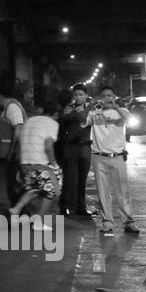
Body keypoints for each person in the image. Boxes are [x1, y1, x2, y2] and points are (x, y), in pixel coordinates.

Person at [89, 85, 138, 236]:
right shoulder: (93, 113)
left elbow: (131, 120)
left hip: (117, 156)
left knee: (123, 191)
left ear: (114, 96)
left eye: (110, 95)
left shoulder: (121, 112)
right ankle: (107, 222)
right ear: (99, 97)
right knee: (103, 193)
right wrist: (90, 106)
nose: (107, 98)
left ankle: (128, 222)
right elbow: (82, 121)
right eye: (104, 96)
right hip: (98, 156)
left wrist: (117, 107)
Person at [12, 95, 61, 217]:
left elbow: (19, 140)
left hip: (25, 163)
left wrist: (20, 163)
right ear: (55, 114)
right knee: (51, 191)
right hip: (41, 164)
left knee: (33, 189)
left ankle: (16, 209)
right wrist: (54, 164)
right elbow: (48, 147)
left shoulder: (30, 120)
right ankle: (38, 221)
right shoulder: (52, 123)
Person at [56, 84, 92, 217]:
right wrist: (65, 115)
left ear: (86, 96)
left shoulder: (91, 110)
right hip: (70, 147)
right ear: (73, 96)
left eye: (81, 94)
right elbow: (59, 125)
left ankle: (81, 207)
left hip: (85, 147)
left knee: (82, 179)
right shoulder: (68, 109)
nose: (78, 97)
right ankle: (64, 205)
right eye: (76, 94)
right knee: (69, 178)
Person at [0, 82, 27, 205]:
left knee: (15, 185)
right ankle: (20, 212)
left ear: (0, 96)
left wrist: (12, 151)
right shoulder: (10, 107)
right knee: (14, 183)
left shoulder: (12, 108)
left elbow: (18, 128)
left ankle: (20, 213)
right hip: (13, 153)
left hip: (15, 154)